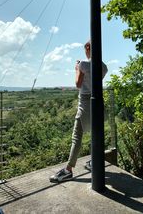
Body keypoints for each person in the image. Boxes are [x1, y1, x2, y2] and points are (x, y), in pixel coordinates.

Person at [49, 40, 108, 183]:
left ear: (88, 48)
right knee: (96, 133)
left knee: (77, 137)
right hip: (99, 103)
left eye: (86, 49)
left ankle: (68, 170)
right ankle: (95, 161)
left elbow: (78, 84)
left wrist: (77, 68)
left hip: (85, 104)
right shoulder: (104, 66)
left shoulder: (82, 64)